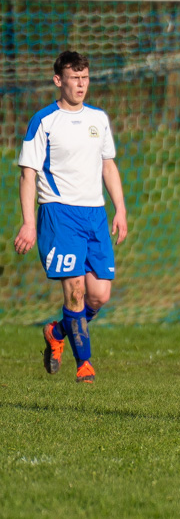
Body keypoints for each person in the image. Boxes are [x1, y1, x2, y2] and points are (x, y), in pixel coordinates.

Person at [13, 50, 128, 384]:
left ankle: (56, 331)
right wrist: (29, 223)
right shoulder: (44, 121)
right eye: (74, 78)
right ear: (58, 81)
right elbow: (27, 174)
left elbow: (108, 165)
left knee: (99, 295)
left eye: (85, 77)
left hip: (94, 215)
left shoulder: (98, 119)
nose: (81, 84)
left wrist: (119, 208)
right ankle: (85, 366)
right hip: (58, 214)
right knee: (75, 291)